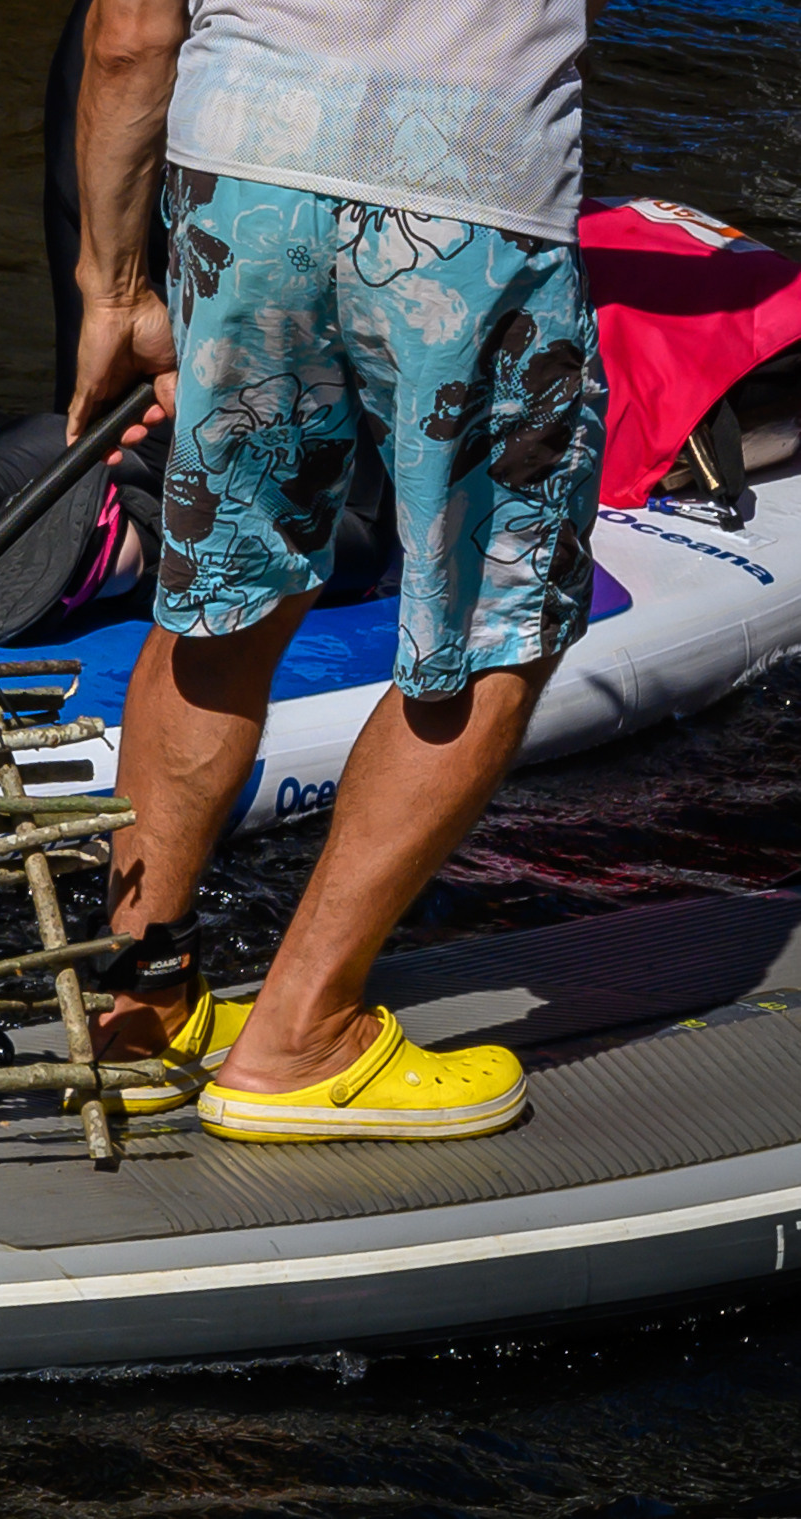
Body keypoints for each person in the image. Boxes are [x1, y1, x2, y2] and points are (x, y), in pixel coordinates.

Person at [65, 0, 608, 1141]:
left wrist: (112, 289)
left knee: (220, 593)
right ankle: (300, 1035)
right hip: (471, 188)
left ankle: (140, 1010)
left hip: (240, 175)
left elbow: (127, 33)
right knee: (489, 625)